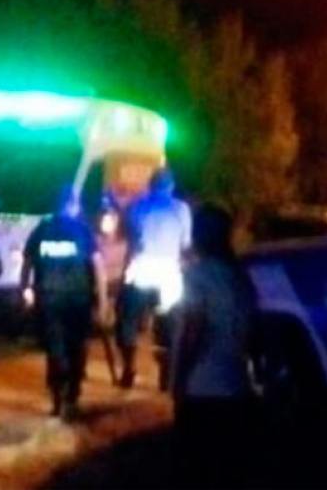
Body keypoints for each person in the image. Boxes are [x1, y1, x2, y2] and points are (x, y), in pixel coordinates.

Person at [170, 204, 258, 486]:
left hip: (203, 388)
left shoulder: (198, 276)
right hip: (236, 386)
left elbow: (194, 329)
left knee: (199, 469)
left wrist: (179, 377)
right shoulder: (241, 277)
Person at [21, 187, 110, 421]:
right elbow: (98, 268)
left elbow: (27, 264)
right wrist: (102, 302)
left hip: (48, 299)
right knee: (77, 348)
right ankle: (72, 394)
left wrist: (24, 291)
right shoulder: (82, 230)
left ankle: (57, 396)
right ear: (74, 205)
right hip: (78, 299)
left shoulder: (41, 230)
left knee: (55, 348)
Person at [116, 167, 191, 389]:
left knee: (127, 321)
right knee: (170, 325)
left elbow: (129, 238)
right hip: (169, 274)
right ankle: (166, 374)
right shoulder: (182, 209)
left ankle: (129, 367)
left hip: (141, 270)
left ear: (150, 185)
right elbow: (185, 245)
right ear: (171, 186)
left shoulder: (137, 206)